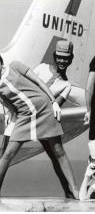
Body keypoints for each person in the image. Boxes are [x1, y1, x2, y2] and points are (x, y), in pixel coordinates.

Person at [0, 55, 78, 199]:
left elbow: (38, 81)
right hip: (25, 117)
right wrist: (10, 119)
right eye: (60, 57)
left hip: (44, 109)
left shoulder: (15, 65)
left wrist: (53, 101)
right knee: (7, 155)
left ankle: (74, 191)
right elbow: (8, 103)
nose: (62, 61)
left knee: (58, 151)